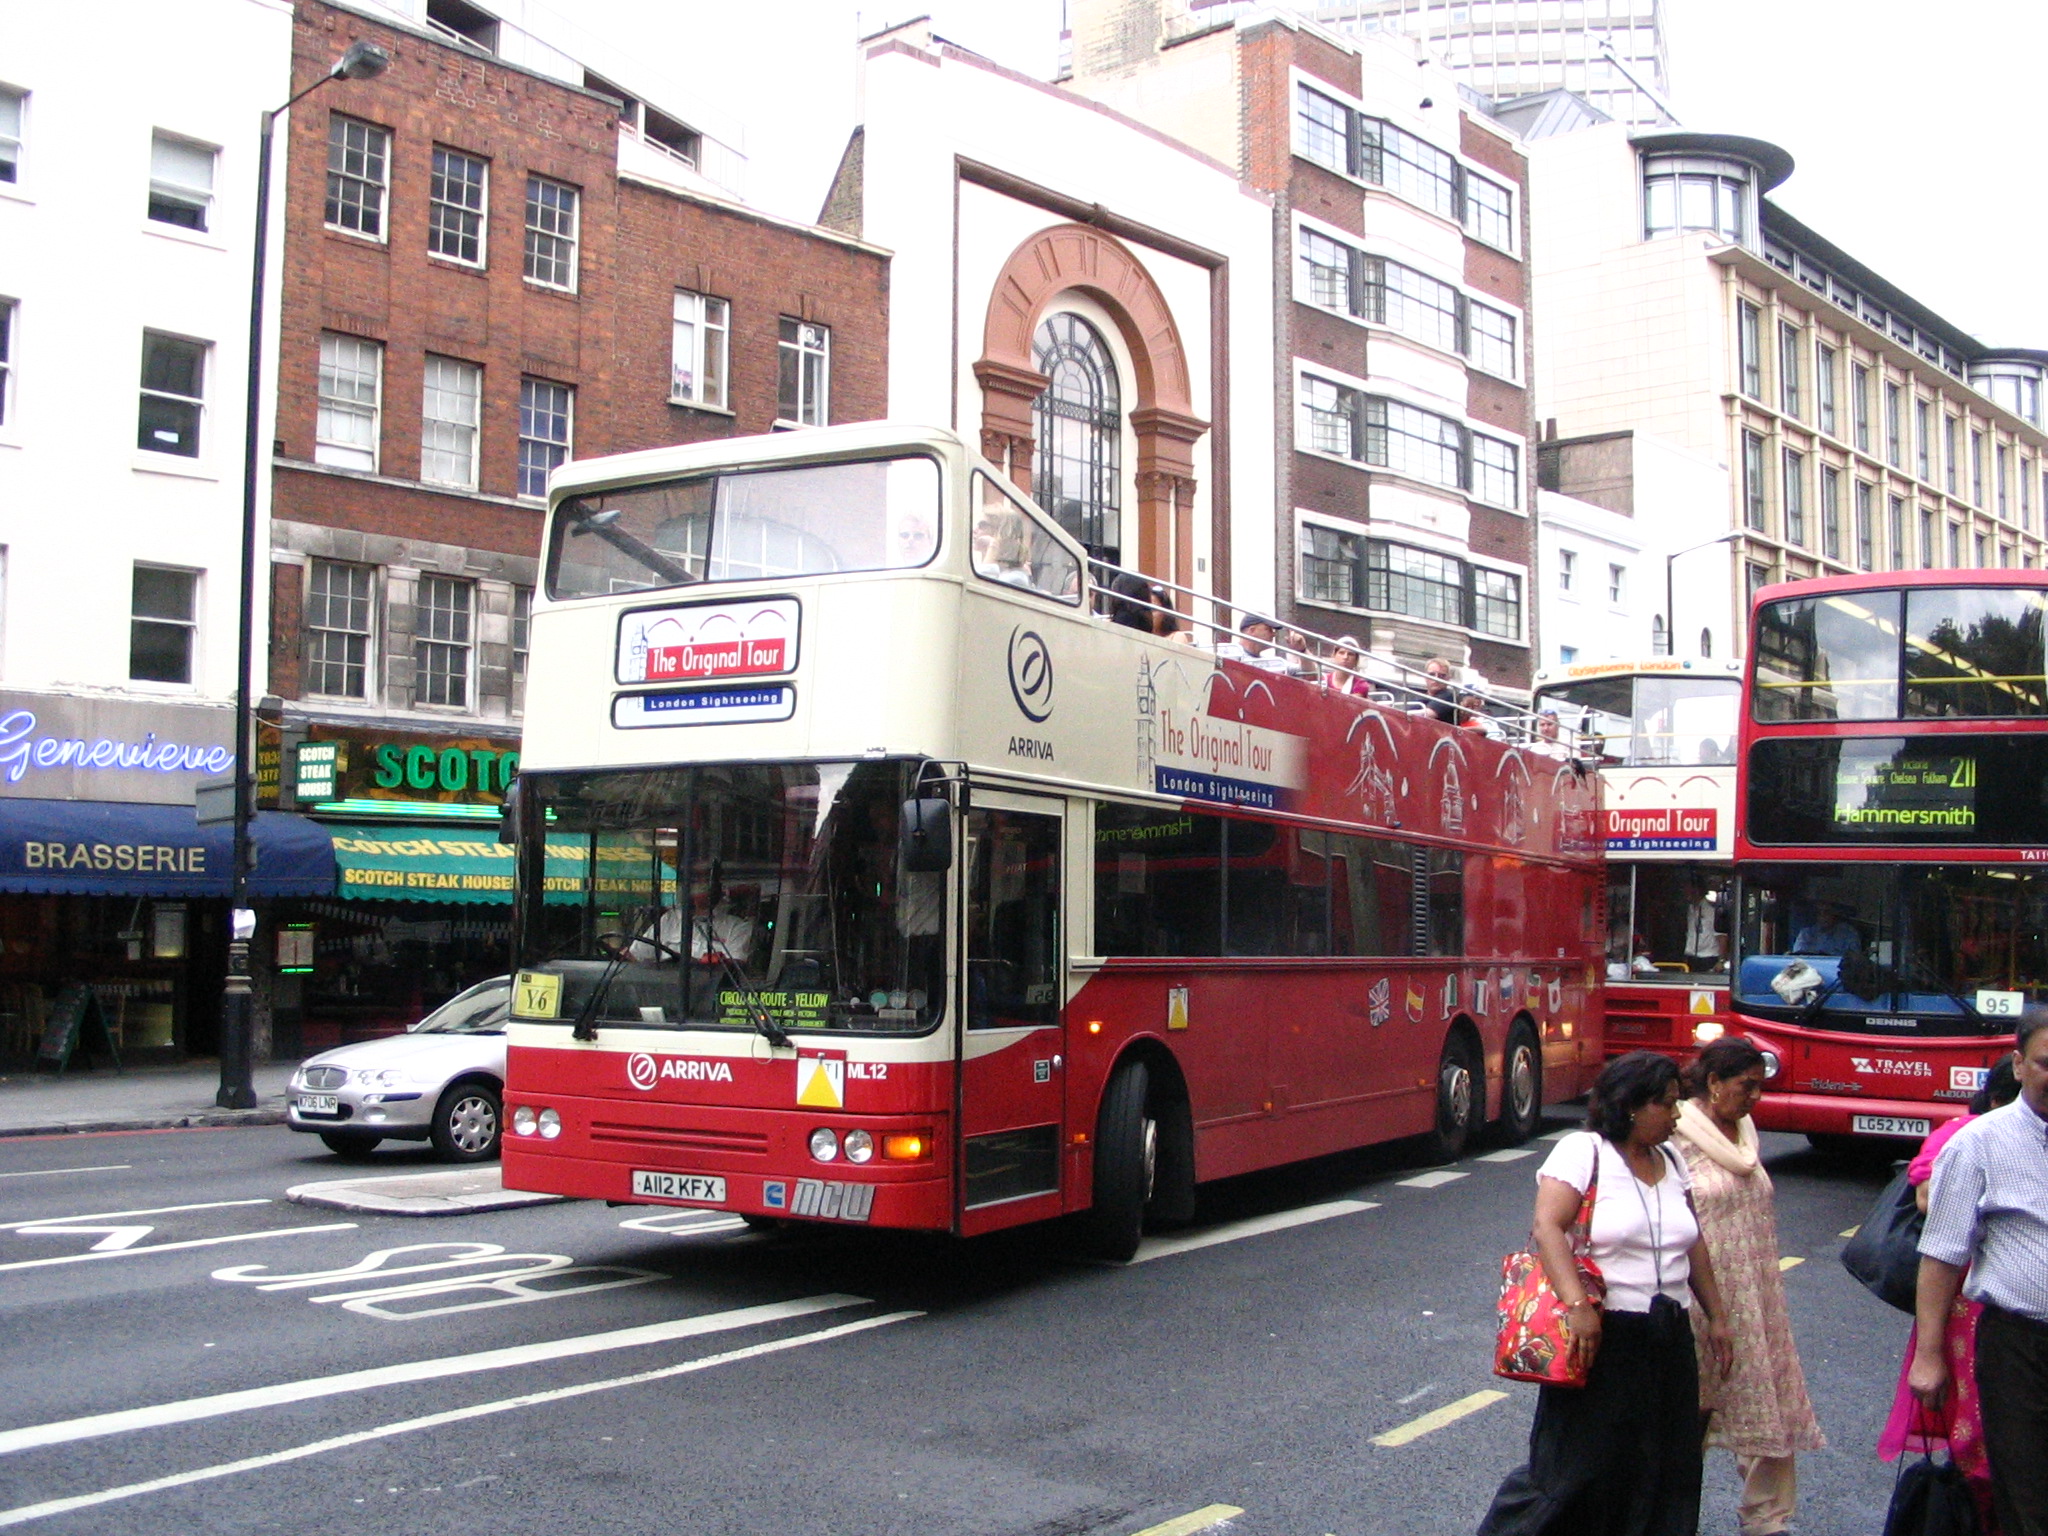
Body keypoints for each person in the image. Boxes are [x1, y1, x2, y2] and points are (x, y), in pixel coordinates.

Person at [1476, 1051, 1734, 1536]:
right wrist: (1578, 1308)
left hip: (1667, 1333)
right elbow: (1548, 1227)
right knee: (1581, 1465)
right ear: (1632, 1105)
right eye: (1668, 1105)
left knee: (1665, 1461)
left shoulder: (1672, 1158)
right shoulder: (1584, 1152)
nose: (1678, 1116)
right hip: (1602, 1333)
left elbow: (1693, 1240)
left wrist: (1717, 1316)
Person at [1672, 1038, 1824, 1536]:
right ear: (1714, 1083)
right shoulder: (1676, 1133)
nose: (1756, 1096)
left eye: (1761, 1086)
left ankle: (1767, 1519)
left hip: (1755, 1295)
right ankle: (1669, 1517)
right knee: (1689, 1411)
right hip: (1700, 1295)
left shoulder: (1746, 1134)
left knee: (1768, 1401)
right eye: (1747, 1086)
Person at [1912, 1012, 2048, 1536]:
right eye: (2045, 1063)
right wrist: (1928, 1356)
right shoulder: (1979, 1143)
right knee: (2027, 1496)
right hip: (2019, 1347)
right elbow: (1942, 1255)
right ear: (2018, 1064)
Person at [1881, 1057, 2021, 1532]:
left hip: (2001, 1300)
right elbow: (1927, 1201)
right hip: (1967, 1302)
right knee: (1975, 1421)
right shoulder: (1968, 1136)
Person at [1216, 615, 1293, 674]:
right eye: (1268, 629)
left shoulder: (1273, 662)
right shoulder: (1223, 651)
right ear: (1252, 630)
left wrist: (1301, 650)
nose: (1273, 634)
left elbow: (1302, 671)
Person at [1790, 901, 1860, 958]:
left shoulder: (1848, 934)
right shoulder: (1806, 934)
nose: (1823, 916)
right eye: (1819, 913)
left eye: (1827, 912)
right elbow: (1798, 958)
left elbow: (1854, 959)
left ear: (1835, 914)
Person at [1418, 657, 1459, 722]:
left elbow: (1426, 715)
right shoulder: (1420, 698)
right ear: (1425, 677)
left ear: (1448, 678)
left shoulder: (1449, 696)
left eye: (1441, 676)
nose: (1436, 679)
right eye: (1432, 674)